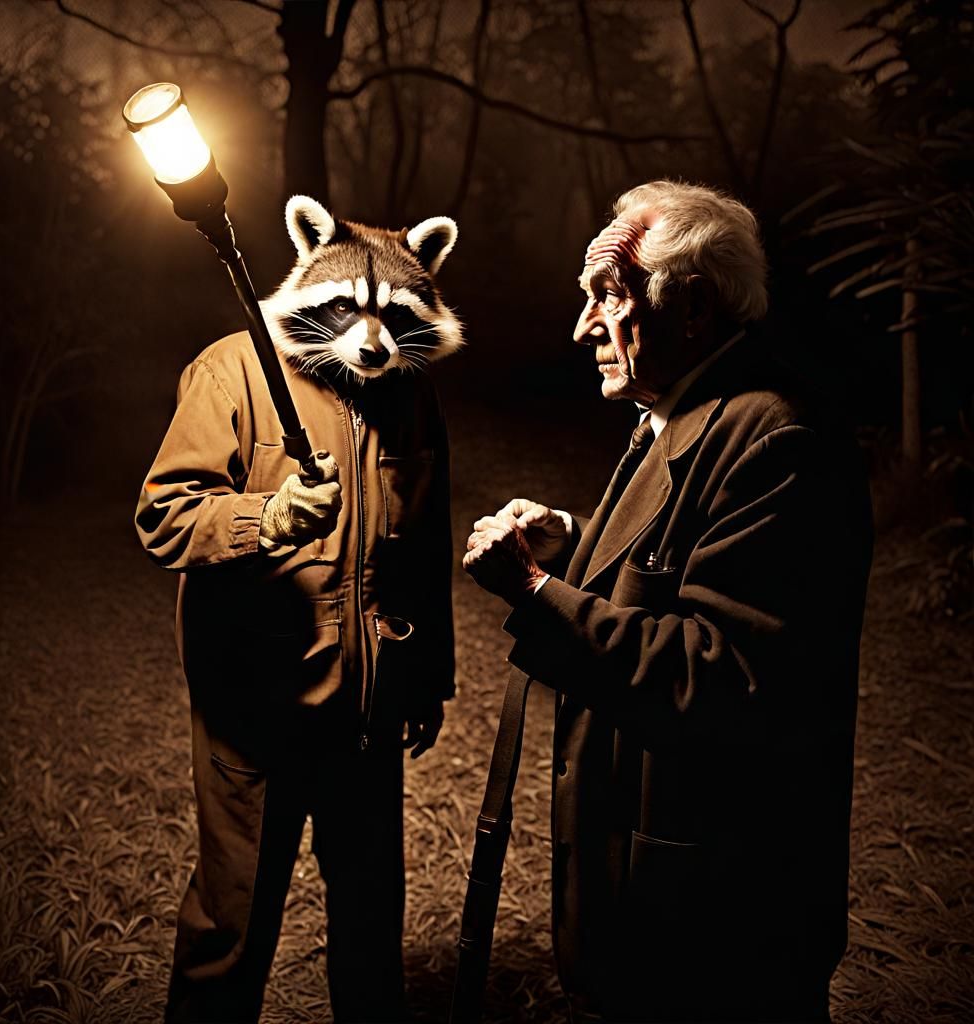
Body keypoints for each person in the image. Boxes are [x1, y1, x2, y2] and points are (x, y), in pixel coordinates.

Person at [464, 180, 873, 1023]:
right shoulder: (686, 413)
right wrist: (573, 540)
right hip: (666, 902)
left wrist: (536, 593)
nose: (584, 328)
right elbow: (688, 565)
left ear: (691, 307)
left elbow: (721, 672)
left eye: (609, 296)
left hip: (719, 928)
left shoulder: (775, 441)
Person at [135, 196, 461, 1023]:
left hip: (364, 712)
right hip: (257, 713)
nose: (371, 336)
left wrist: (429, 676)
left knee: (369, 925)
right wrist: (266, 517)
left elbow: (424, 547)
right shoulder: (234, 372)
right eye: (347, 311)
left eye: (389, 315)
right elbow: (165, 516)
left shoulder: (409, 396)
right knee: (231, 925)